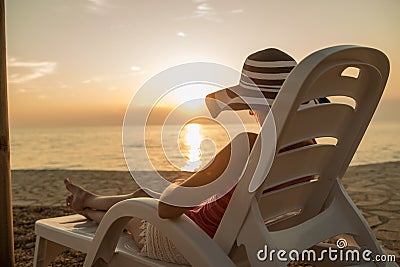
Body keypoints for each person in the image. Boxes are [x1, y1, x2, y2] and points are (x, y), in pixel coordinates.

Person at [65, 48, 325, 264]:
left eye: (249, 106)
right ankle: (90, 200)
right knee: (142, 197)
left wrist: (184, 188)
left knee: (133, 213)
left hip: (196, 245)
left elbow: (167, 210)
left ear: (251, 106)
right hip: (258, 241)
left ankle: (88, 207)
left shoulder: (248, 145)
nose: (247, 114)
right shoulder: (311, 148)